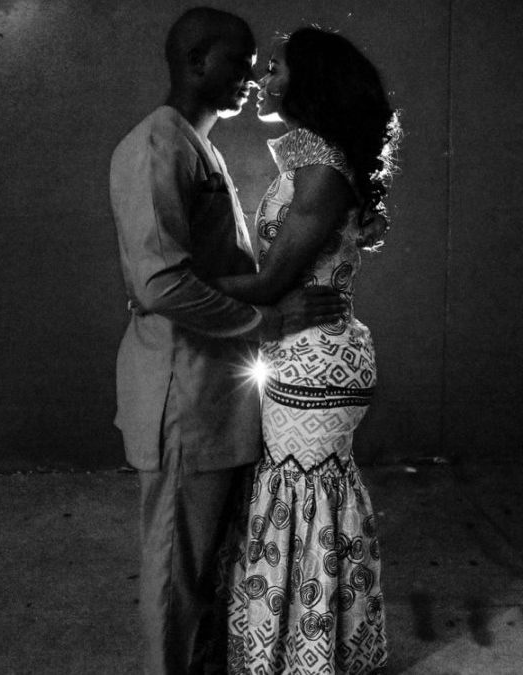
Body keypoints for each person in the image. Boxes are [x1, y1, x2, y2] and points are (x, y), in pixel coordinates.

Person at [109, 8, 349, 673]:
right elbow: (161, 285)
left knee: (208, 568)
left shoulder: (200, 145)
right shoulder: (156, 147)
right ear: (194, 61)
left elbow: (200, 275)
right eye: (237, 60)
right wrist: (265, 320)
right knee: (176, 573)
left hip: (212, 397)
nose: (249, 73)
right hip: (181, 402)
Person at [214, 27, 401, 673]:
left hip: (316, 357)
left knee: (302, 497)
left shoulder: (321, 173)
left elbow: (271, 282)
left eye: (275, 68)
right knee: (302, 494)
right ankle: (312, 648)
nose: (262, 79)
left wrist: (170, 286)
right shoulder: (311, 163)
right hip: (308, 350)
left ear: (310, 83)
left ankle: (308, 655)